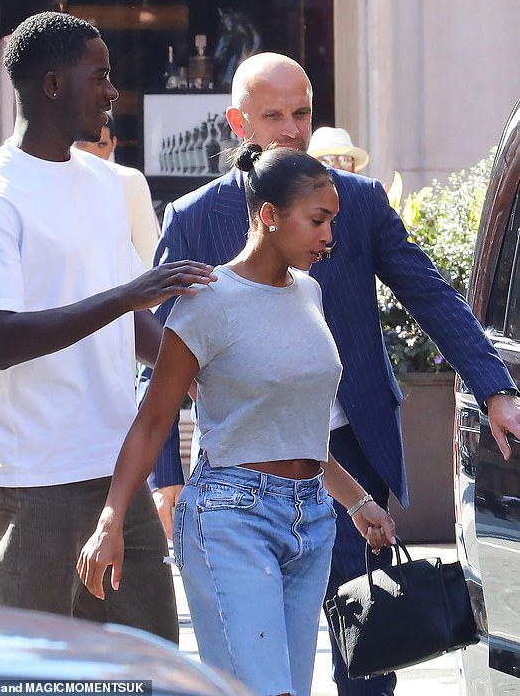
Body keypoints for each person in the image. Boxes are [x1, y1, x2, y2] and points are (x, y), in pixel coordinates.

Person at [138, 52, 520, 695]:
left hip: (350, 450)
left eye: (302, 113)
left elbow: (429, 294)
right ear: (238, 122)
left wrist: (496, 386)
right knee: (261, 661)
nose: (290, 129)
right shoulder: (195, 218)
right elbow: (156, 345)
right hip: (244, 466)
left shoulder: (359, 203)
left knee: (367, 648)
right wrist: (167, 476)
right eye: (273, 116)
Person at [78, 143, 396, 696]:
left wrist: (357, 501)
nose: (329, 237)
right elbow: (153, 420)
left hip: (312, 518)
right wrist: (112, 519)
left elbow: (299, 424)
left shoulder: (311, 293)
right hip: (231, 517)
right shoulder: (209, 301)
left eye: (332, 222)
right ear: (269, 216)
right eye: (318, 221)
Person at [0, 12, 215, 638]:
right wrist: (127, 298)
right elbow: (3, 338)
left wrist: (197, 375)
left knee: (150, 653)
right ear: (52, 85)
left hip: (116, 465)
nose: (113, 91)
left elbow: (133, 319)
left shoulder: (102, 184)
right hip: (31, 475)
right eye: (99, 76)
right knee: (31, 666)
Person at [75, 113, 160, 268]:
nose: (95, 153)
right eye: (86, 145)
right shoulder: (56, 181)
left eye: (102, 145)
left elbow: (148, 258)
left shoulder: (131, 181)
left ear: (113, 144)